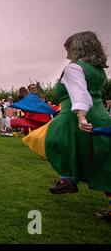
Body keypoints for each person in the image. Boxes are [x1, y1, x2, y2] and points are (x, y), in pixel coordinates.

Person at [23, 31, 111, 221]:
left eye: (68, 49)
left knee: (48, 140)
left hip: (75, 116)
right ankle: (68, 178)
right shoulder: (98, 70)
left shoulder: (75, 68)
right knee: (101, 160)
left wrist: (81, 117)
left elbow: (79, 94)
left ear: (78, 48)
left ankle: (67, 178)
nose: (67, 55)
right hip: (100, 116)